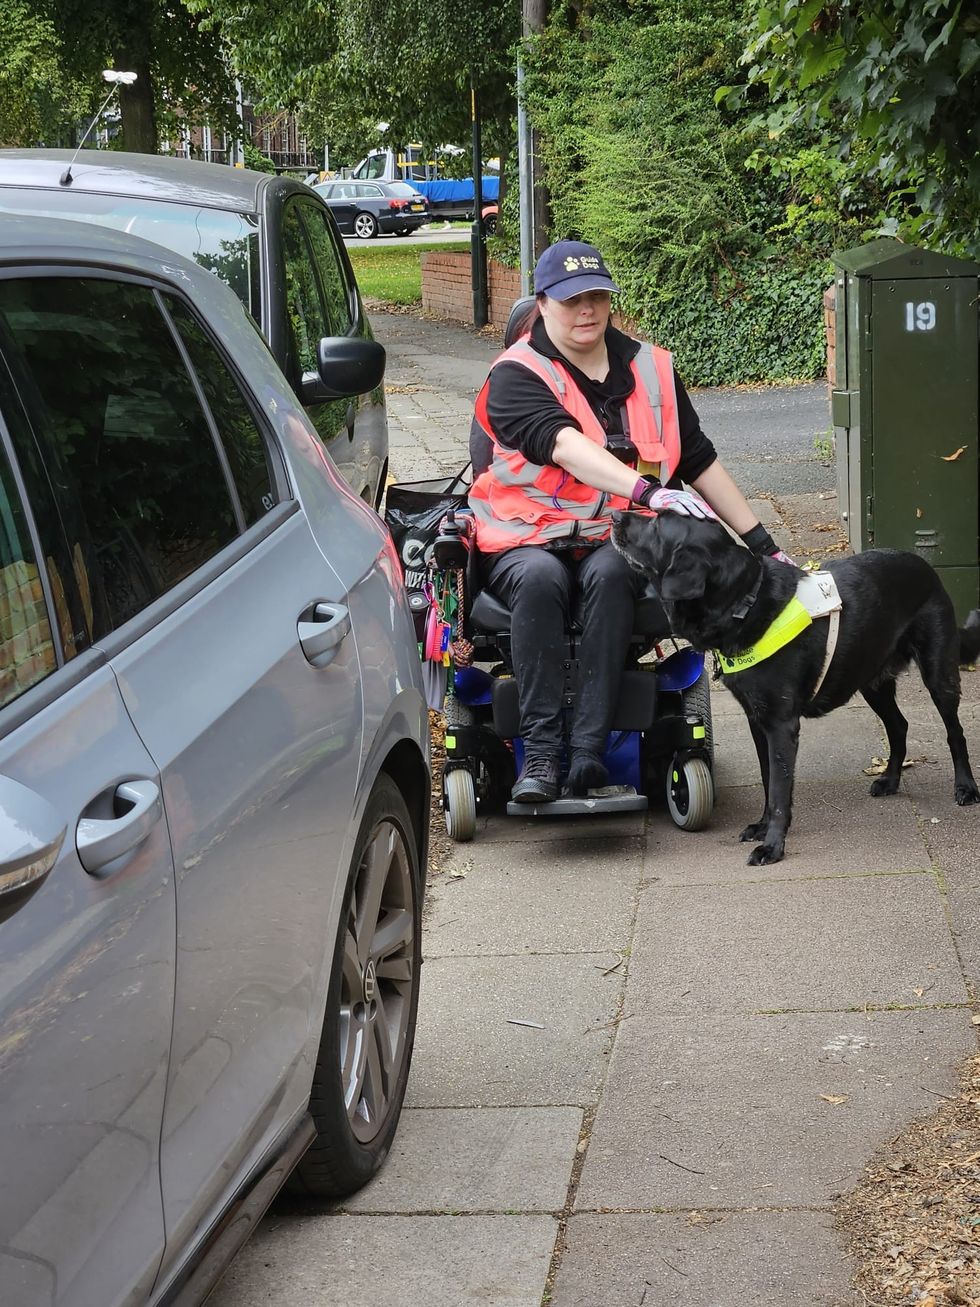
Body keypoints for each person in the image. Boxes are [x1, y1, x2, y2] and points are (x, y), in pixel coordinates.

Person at [468, 239, 791, 804]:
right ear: (541, 305)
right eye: (571, 301)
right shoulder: (516, 375)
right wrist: (649, 491)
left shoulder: (652, 368)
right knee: (542, 580)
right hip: (526, 534)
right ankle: (541, 756)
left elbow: (697, 458)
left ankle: (592, 751)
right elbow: (562, 445)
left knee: (613, 575)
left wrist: (762, 545)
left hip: (617, 533)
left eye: (596, 296)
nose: (586, 310)